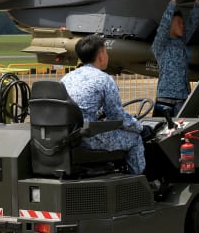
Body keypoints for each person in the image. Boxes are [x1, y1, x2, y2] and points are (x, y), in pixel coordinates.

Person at [60, 34, 148, 174]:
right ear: (101, 56)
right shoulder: (104, 79)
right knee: (135, 139)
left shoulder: (66, 78)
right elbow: (117, 116)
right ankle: (138, 184)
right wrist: (140, 128)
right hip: (88, 138)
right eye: (106, 52)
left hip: (68, 137)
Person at [152, 0, 199, 116]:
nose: (183, 25)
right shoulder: (161, 45)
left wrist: (198, 1)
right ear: (171, 26)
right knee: (161, 133)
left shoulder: (181, 42)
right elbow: (164, 23)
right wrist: (173, 0)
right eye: (179, 23)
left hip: (183, 98)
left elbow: (193, 22)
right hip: (165, 99)